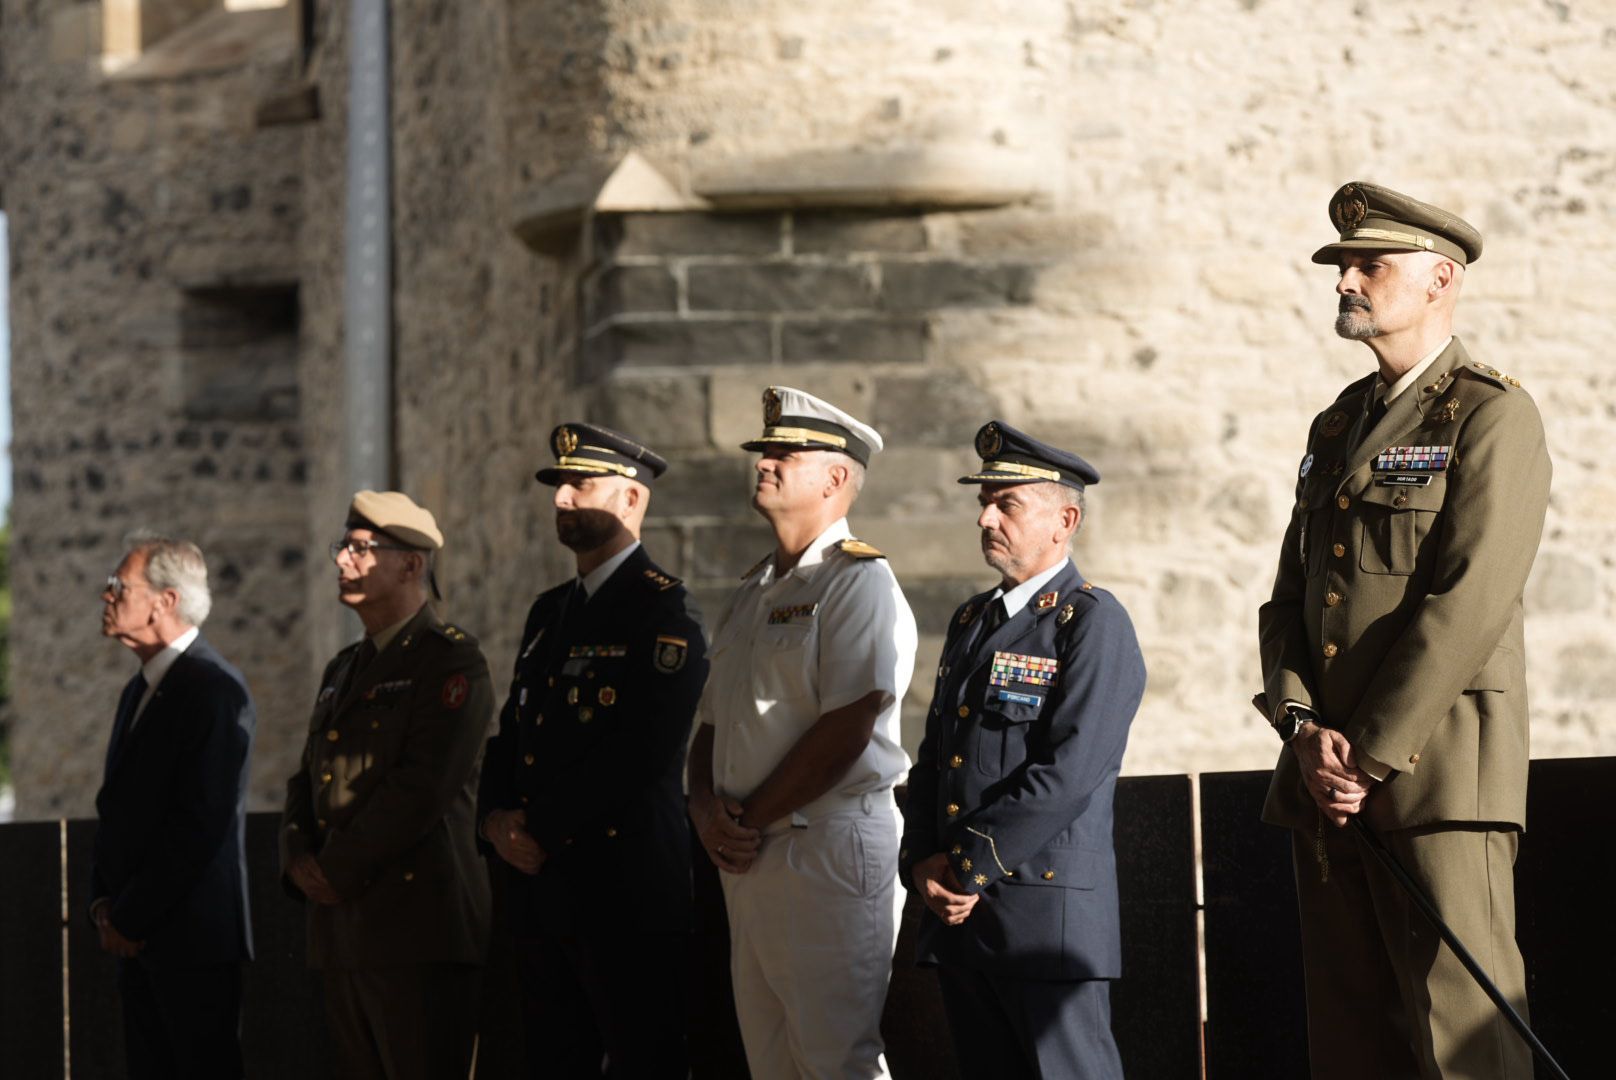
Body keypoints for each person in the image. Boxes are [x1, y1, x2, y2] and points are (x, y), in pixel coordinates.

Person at [1257, 181, 1552, 1079]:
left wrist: (1370, 753)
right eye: (1343, 265)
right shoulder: (1338, 423)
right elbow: (1289, 600)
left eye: (1368, 264)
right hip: (1326, 777)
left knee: (1465, 1039)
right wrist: (1303, 731)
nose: (1346, 279)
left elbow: (1470, 599)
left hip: (1437, 774)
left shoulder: (1493, 414)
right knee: (1354, 1038)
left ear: (1438, 280)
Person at [899, 421, 1146, 1079]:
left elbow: (1069, 771)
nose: (985, 517)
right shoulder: (972, 621)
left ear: (1065, 520)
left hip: (1044, 918)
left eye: (1006, 503)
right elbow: (936, 756)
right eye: (983, 500)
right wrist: (919, 859)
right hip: (961, 913)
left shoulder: (1092, 621)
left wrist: (967, 867)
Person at [688, 386, 917, 1079]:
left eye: (786, 453)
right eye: (764, 451)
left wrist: (745, 819)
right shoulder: (754, 589)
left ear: (837, 478)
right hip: (748, 853)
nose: (766, 462)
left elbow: (848, 724)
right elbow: (709, 726)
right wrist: (703, 809)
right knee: (772, 1061)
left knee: (835, 1059)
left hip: (824, 849)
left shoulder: (858, 582)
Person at [478, 422, 709, 1078]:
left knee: (645, 1059)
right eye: (559, 486)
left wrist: (540, 828)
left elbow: (645, 749)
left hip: (623, 888)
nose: (562, 499)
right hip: (540, 888)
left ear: (631, 500)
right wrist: (495, 820)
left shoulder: (662, 611)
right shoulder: (550, 611)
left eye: (581, 486)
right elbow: (514, 731)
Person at [279, 490, 494, 1080]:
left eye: (361, 549)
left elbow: (422, 788)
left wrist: (336, 868)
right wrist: (298, 856)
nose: (344, 561)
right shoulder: (342, 668)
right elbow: (308, 776)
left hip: (416, 930)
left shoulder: (450, 662)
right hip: (345, 933)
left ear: (410, 564)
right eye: (342, 548)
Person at [91, 533, 256, 1080]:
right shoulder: (136, 691)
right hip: (137, 943)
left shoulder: (213, 689)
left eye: (119, 586)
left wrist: (130, 914)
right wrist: (102, 904)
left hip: (191, 945)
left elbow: (199, 823)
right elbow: (117, 809)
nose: (105, 595)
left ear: (165, 601)